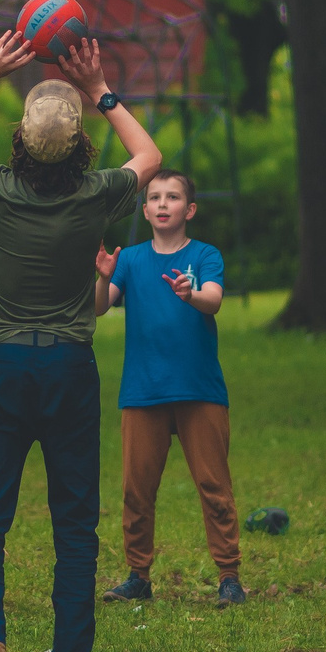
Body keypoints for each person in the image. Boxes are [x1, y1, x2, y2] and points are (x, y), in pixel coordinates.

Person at [0, 29, 162, 652]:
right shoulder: (97, 194)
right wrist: (99, 88)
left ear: (19, 140)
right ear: (81, 142)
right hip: (69, 370)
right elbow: (150, 153)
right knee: (73, 521)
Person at [93, 168, 242, 606]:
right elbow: (99, 309)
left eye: (172, 197)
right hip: (143, 391)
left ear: (189, 209)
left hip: (200, 390)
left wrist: (189, 294)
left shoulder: (205, 255)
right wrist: (104, 276)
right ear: (145, 209)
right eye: (154, 197)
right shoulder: (132, 259)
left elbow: (213, 299)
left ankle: (229, 576)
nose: (162, 204)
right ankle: (138, 575)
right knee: (136, 489)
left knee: (214, 486)